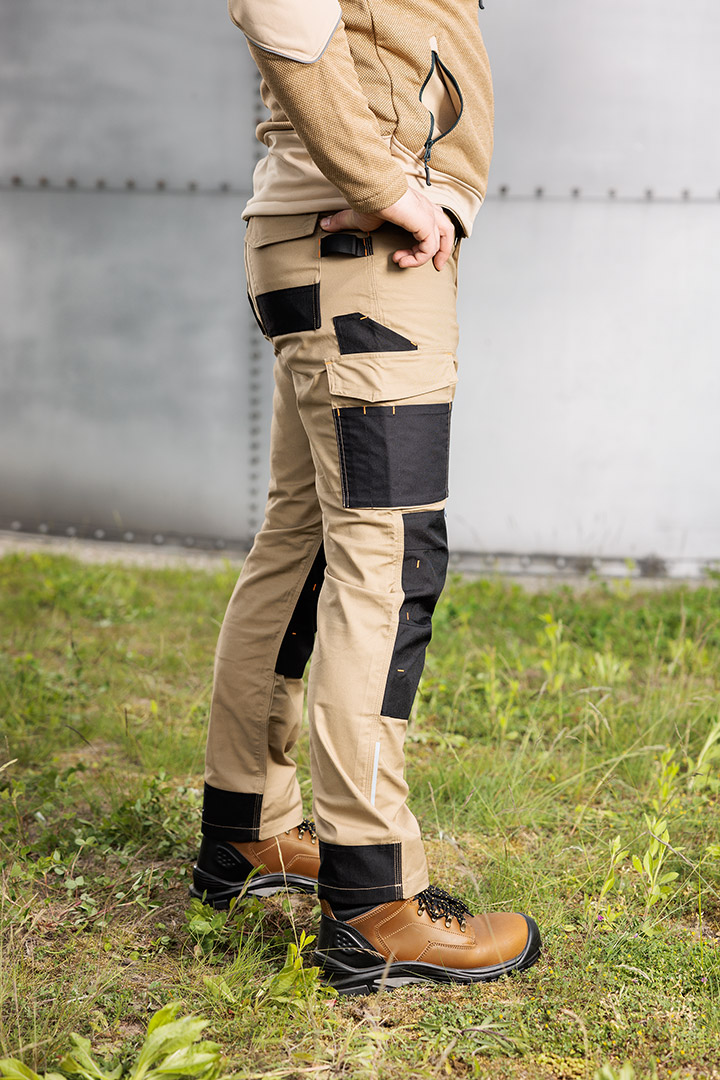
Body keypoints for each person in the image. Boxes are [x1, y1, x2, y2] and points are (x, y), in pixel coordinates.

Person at [191, 0, 541, 993]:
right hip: (366, 252)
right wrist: (386, 183)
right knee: (388, 557)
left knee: (304, 544)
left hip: (325, 242)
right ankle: (374, 902)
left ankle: (250, 829)